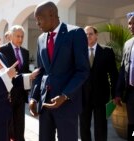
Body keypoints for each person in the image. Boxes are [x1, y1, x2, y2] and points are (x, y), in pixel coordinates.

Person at [29, 1, 90, 141]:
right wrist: (34, 97)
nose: (37, 23)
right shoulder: (40, 39)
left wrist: (64, 95)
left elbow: (82, 71)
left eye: (39, 18)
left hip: (67, 104)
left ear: (52, 14)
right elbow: (41, 71)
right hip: (45, 103)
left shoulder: (75, 33)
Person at [79, 26, 118, 141]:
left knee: (101, 126)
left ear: (96, 35)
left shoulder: (107, 51)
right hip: (83, 96)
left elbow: (113, 74)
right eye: (85, 34)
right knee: (83, 126)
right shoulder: (79, 52)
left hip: (101, 96)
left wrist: (115, 94)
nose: (88, 36)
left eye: (90, 34)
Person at [0, 25, 32, 141]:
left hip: (21, 94)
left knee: (19, 123)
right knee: (8, 124)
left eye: (22, 36)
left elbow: (25, 72)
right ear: (11, 36)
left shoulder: (25, 52)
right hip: (8, 94)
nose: (20, 39)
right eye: (18, 36)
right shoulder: (2, 50)